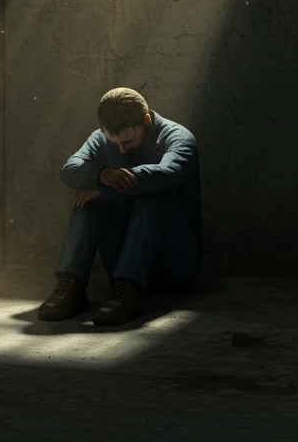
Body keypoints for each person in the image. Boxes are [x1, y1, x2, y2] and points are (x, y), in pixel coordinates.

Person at [37, 88, 203, 326]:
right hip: (119, 263)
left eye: (128, 141)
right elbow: (70, 169)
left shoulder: (178, 137)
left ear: (146, 120)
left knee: (153, 195)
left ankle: (128, 287)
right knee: (88, 201)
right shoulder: (101, 138)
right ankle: (71, 283)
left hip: (173, 264)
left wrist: (105, 188)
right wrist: (102, 174)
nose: (122, 149)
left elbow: (168, 174)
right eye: (115, 143)